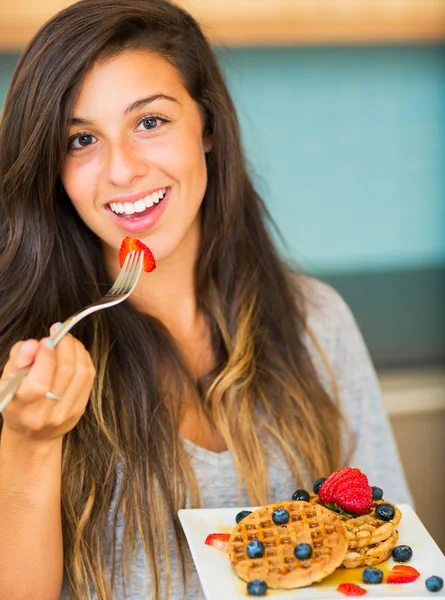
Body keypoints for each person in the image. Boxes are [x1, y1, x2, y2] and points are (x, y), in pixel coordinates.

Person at [0, 0, 412, 598]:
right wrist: (29, 445)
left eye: (150, 122)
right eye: (82, 139)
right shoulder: (25, 361)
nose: (121, 170)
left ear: (208, 128)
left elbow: (389, 557)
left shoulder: (316, 322)